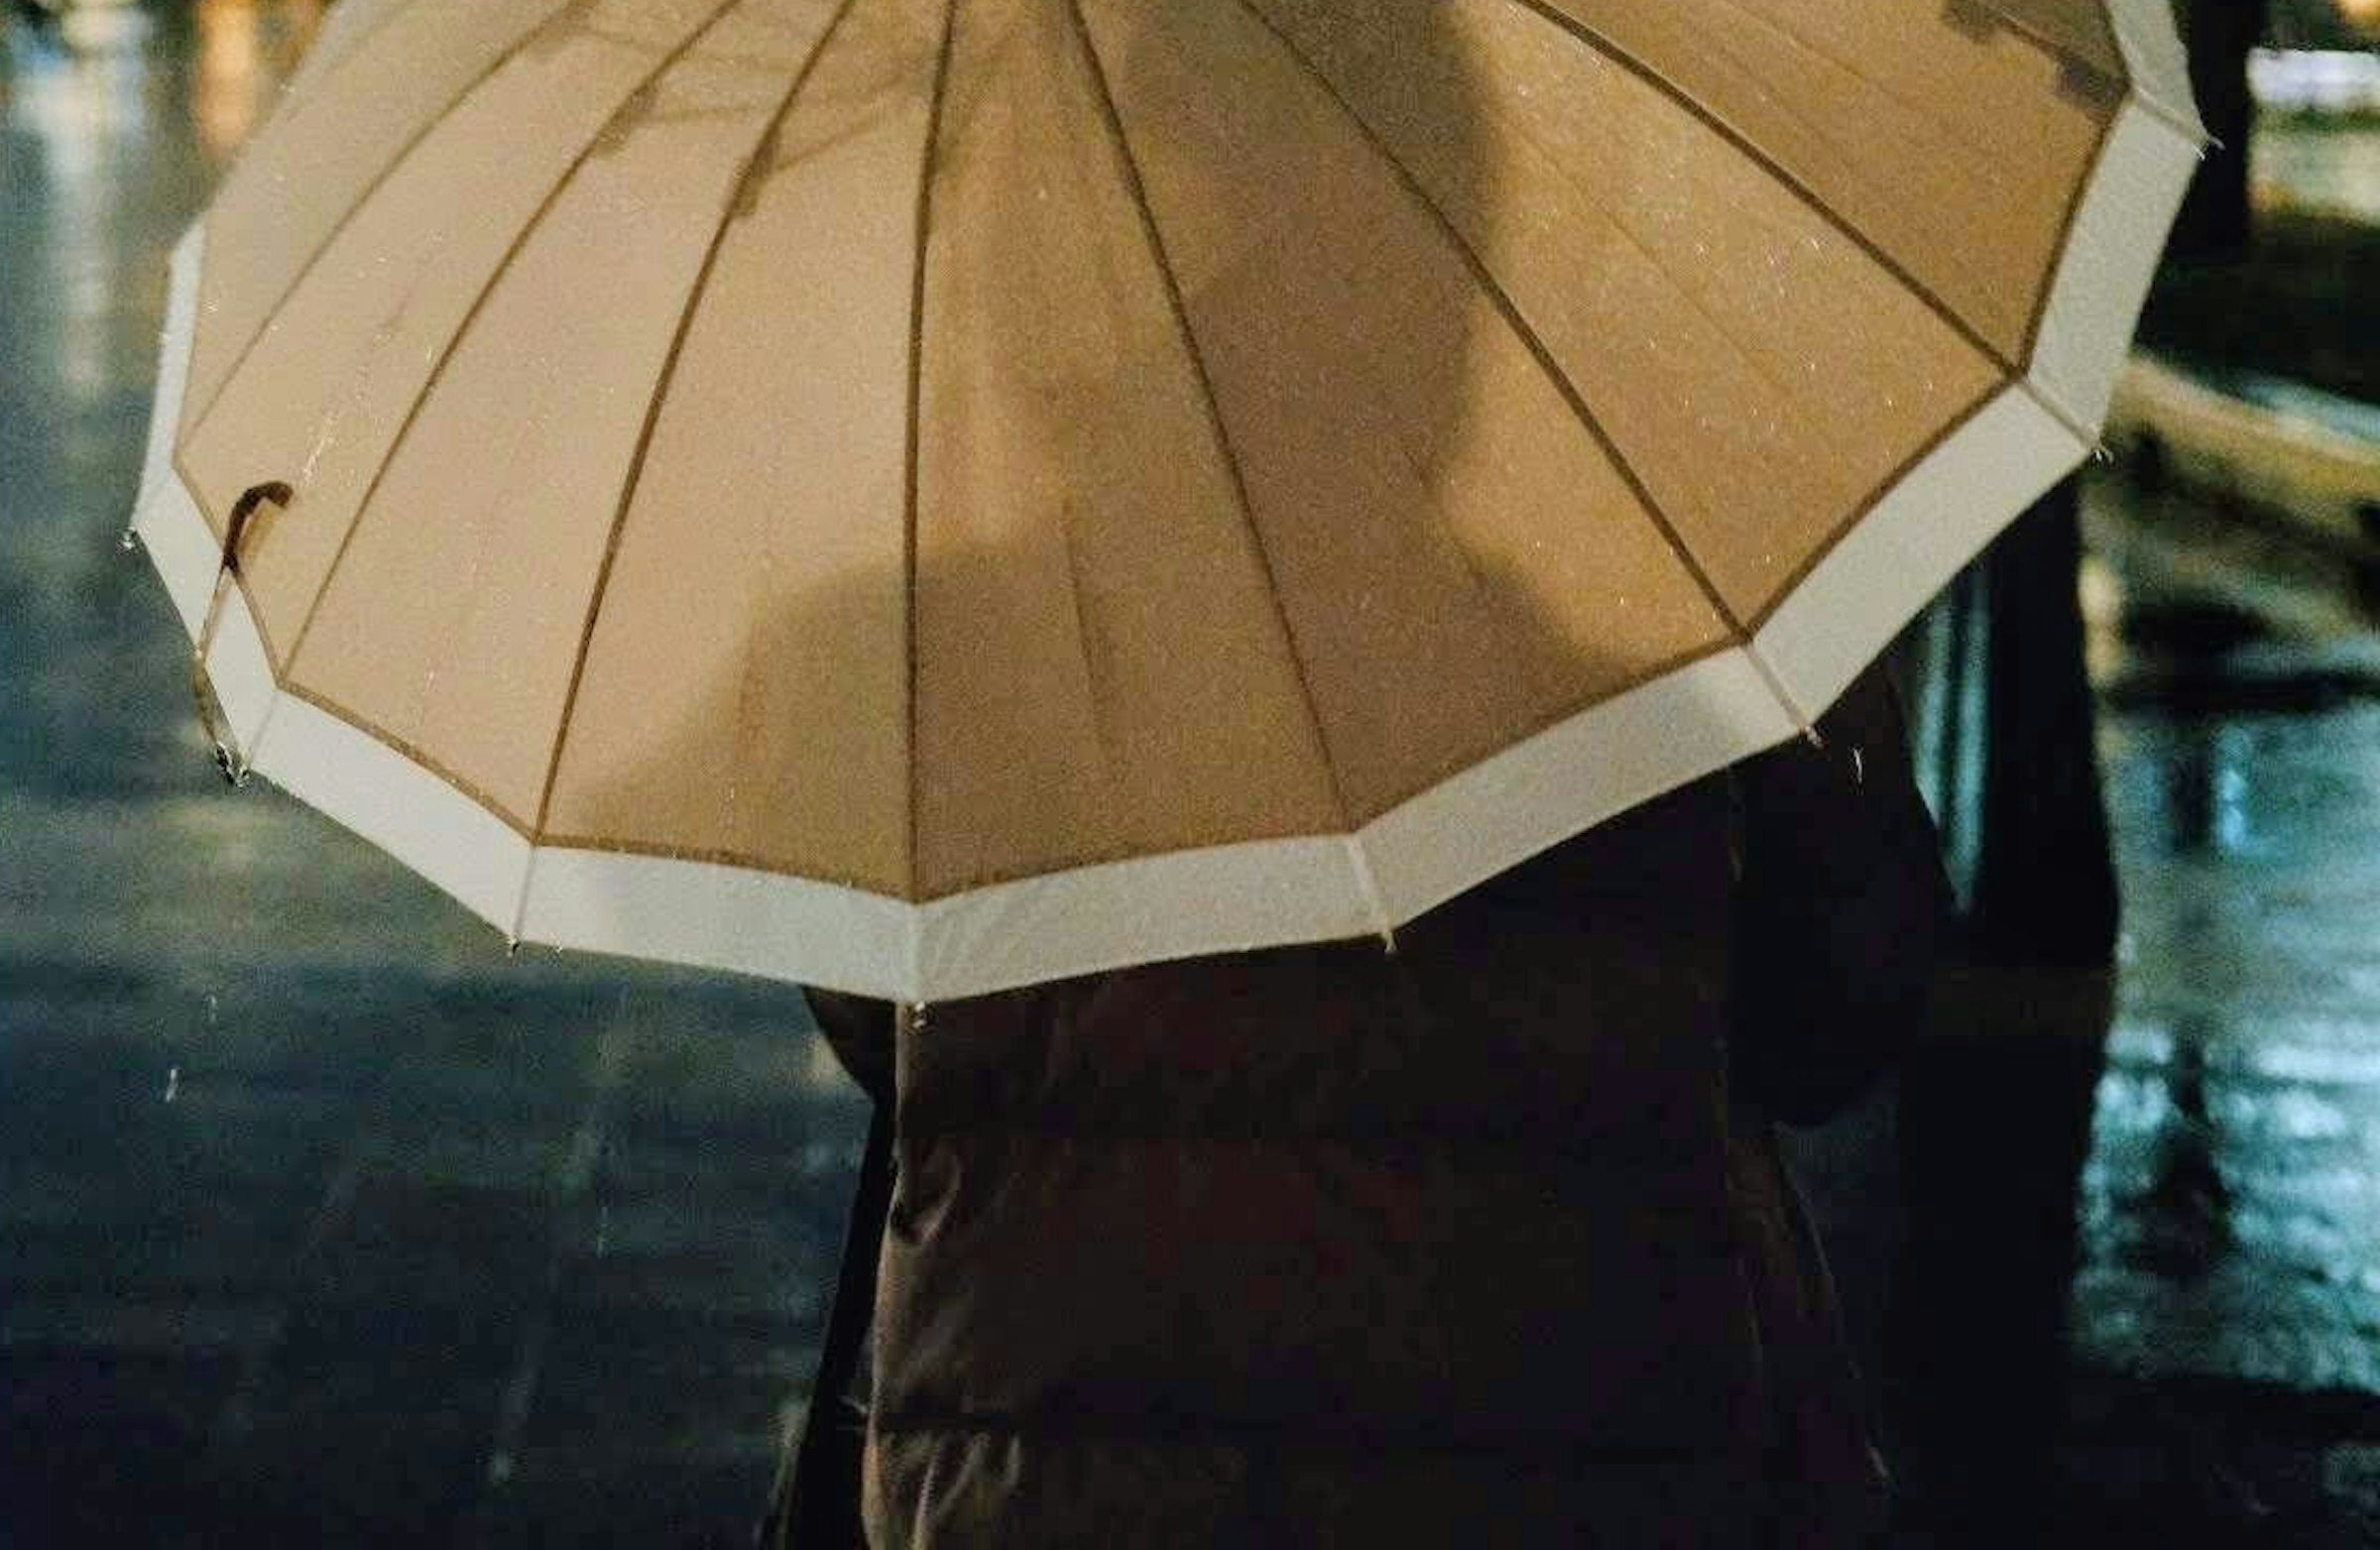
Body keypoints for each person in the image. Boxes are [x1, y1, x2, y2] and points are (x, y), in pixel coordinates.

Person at [783, 657, 1948, 1549]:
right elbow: (1835, 1023)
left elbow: (878, 1019)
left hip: (1053, 1449)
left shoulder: (965, 639)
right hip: (1569, 1427)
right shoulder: (1685, 605)